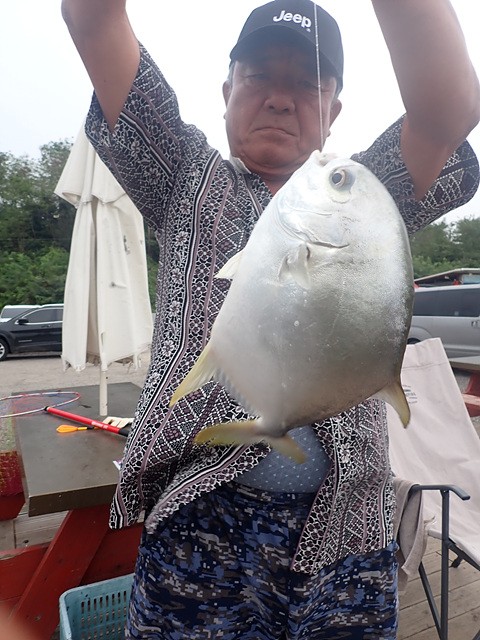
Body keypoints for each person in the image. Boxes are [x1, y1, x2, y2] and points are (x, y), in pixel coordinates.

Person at [62, 0, 480, 637]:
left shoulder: (364, 195)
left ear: (334, 111)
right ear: (226, 91)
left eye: (307, 84)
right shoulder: (185, 176)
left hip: (347, 528)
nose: (281, 99)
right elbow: (91, 18)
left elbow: (448, 111)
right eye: (258, 76)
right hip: (199, 523)